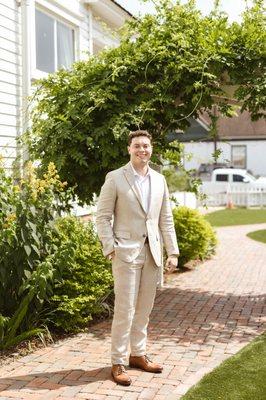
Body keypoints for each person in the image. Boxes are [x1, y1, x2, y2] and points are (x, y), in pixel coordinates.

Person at [96, 130, 179, 386]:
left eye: (146, 146)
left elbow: (165, 218)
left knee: (144, 309)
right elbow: (102, 216)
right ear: (129, 149)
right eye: (137, 146)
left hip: (152, 253)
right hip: (125, 253)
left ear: (151, 149)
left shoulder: (159, 180)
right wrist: (110, 247)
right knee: (125, 309)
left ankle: (138, 354)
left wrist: (173, 251)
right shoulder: (115, 178)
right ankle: (118, 362)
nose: (142, 150)